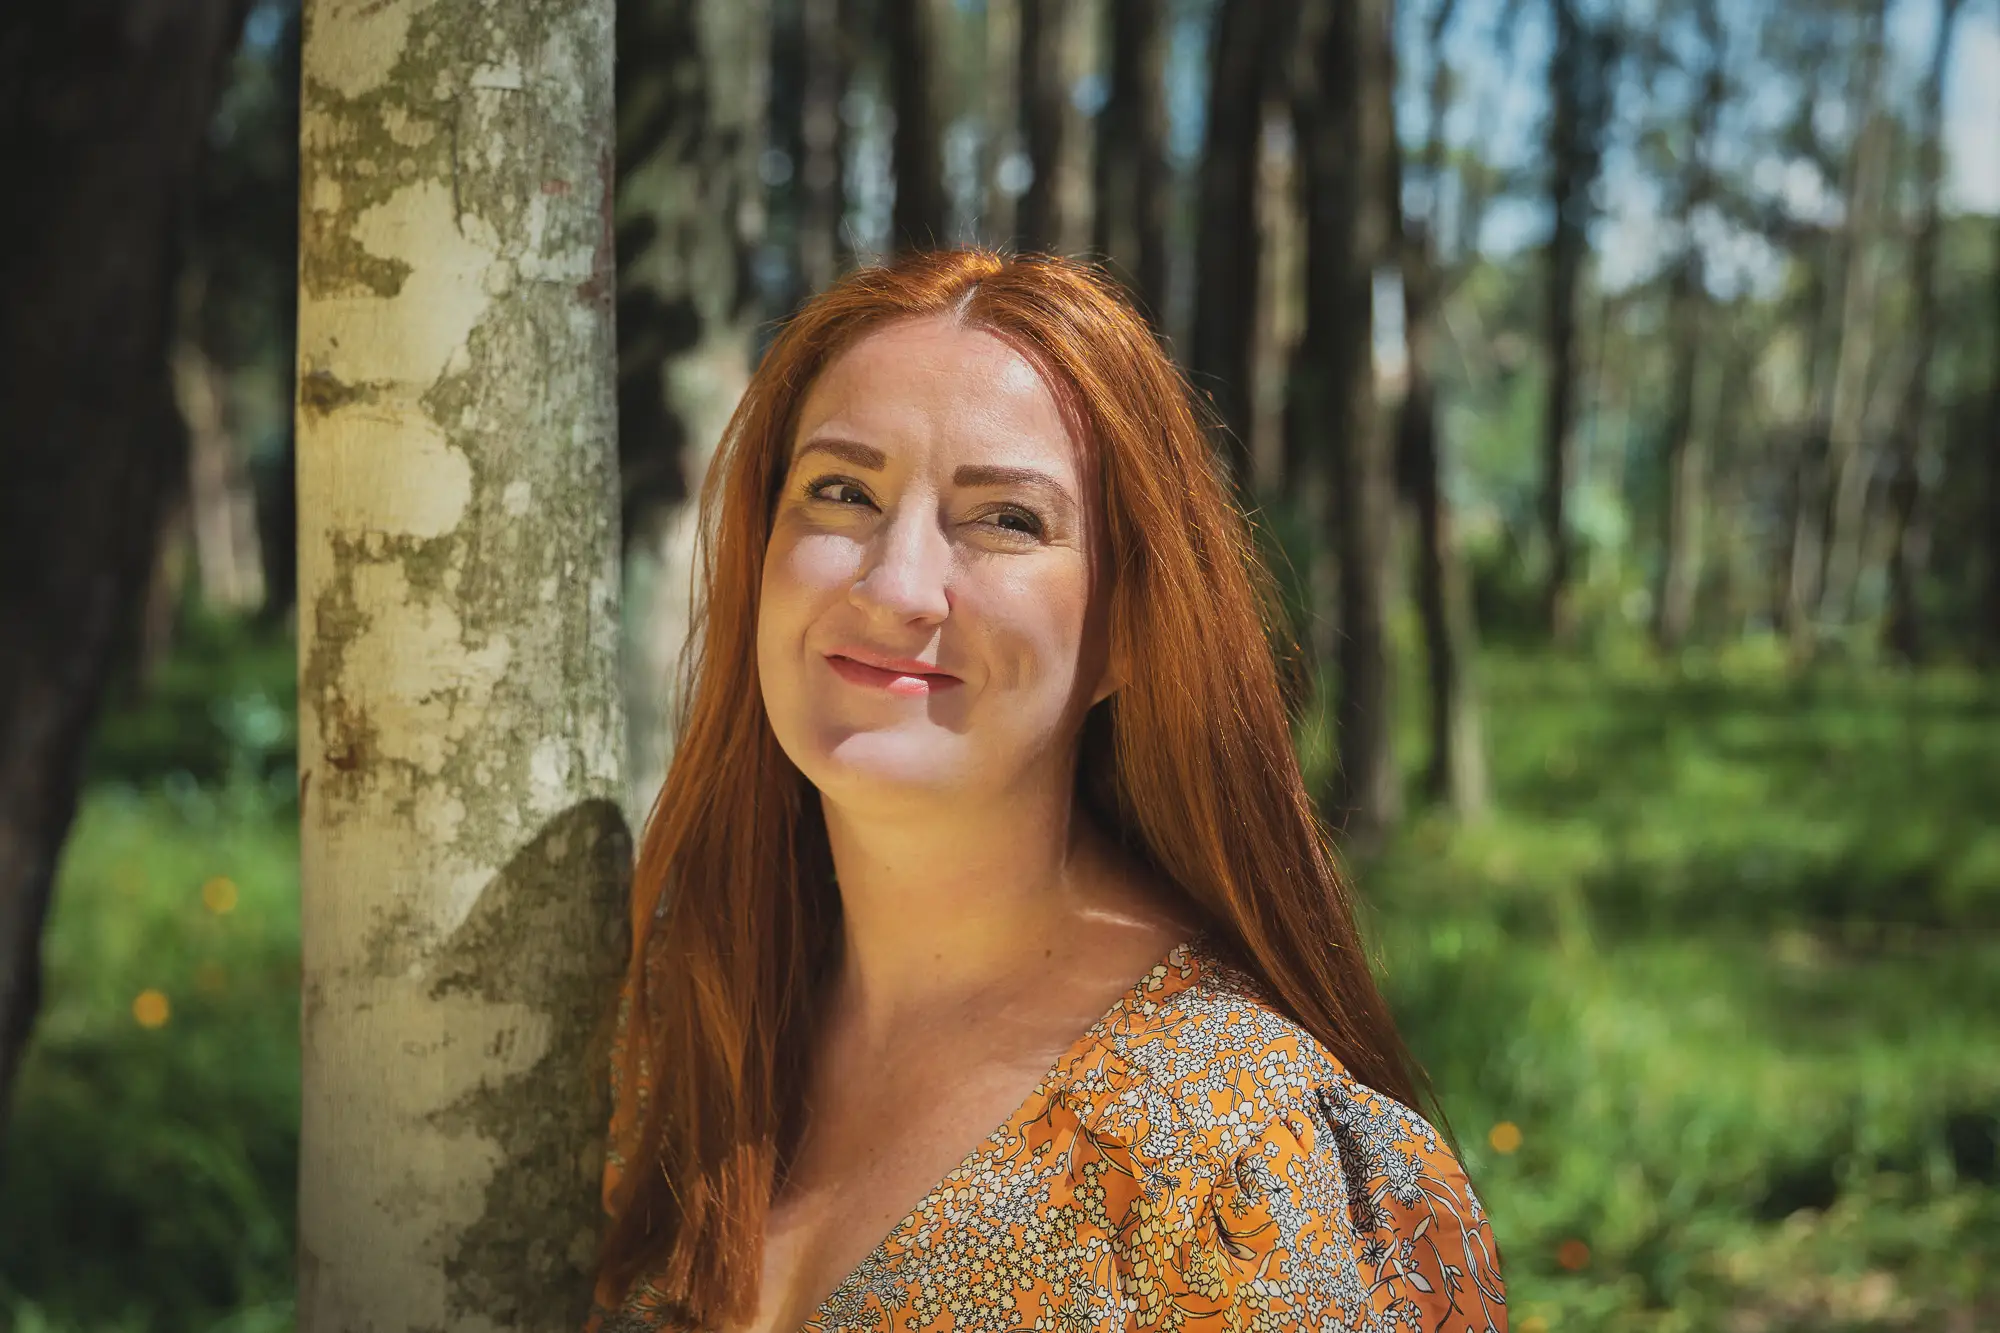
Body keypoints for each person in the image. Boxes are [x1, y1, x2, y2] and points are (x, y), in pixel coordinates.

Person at [585, 249, 1506, 1333]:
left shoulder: (1242, 1161)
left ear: (1126, 628)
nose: (894, 587)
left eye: (1005, 520)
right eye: (841, 491)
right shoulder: (691, 994)